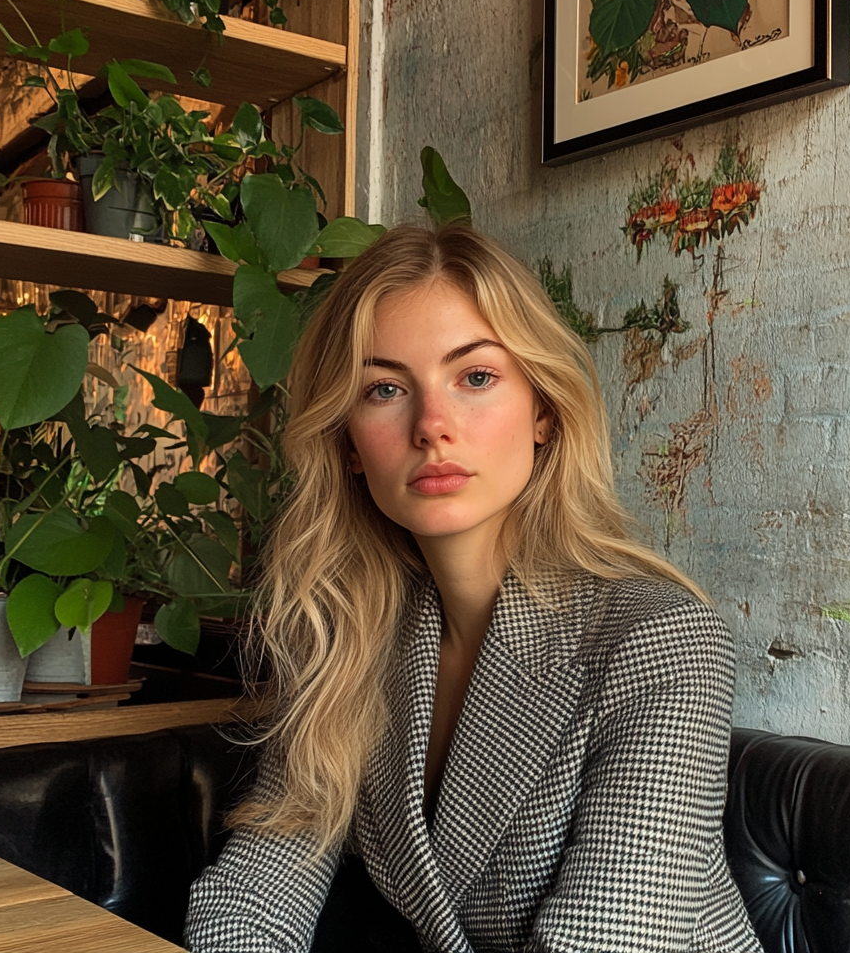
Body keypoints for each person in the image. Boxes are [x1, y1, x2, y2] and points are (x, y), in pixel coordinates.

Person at [184, 225, 764, 953]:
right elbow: (250, 904)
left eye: (476, 377)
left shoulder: (662, 641)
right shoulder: (349, 634)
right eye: (385, 389)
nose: (433, 427)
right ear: (349, 446)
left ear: (544, 410)